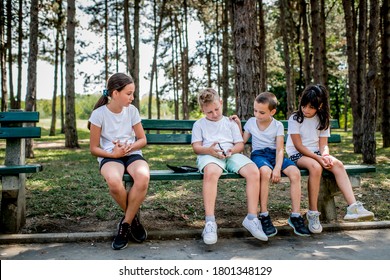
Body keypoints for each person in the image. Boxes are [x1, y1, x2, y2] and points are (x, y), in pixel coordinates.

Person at [286, 84, 375, 233]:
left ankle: (353, 207)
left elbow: (323, 145)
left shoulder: (323, 119)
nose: (306, 110)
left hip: (316, 154)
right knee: (315, 167)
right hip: (297, 154)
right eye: (304, 105)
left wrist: (325, 155)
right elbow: (298, 146)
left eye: (311, 107)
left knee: (338, 164)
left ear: (320, 106)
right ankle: (313, 213)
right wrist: (318, 159)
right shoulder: (295, 118)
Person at [191, 88, 268, 245]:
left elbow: (239, 144)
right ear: (203, 111)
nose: (214, 114)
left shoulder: (230, 122)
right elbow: (196, 148)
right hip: (209, 155)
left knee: (253, 171)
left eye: (216, 109)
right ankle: (210, 222)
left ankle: (252, 218)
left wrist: (232, 150)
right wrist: (209, 151)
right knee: (211, 172)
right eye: (209, 112)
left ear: (221, 102)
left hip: (231, 154)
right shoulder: (199, 124)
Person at [232, 92, 311, 237]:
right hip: (259, 155)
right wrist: (238, 124)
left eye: (262, 112)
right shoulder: (250, 122)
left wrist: (277, 168)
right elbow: (241, 142)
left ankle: (295, 216)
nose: (257, 114)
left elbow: (280, 149)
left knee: (295, 173)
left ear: (272, 112)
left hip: (275, 155)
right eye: (255, 110)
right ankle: (264, 215)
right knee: (265, 172)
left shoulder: (277, 125)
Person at [88, 73, 150, 250]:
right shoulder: (98, 114)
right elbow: (94, 148)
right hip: (110, 156)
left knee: (143, 177)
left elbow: (142, 139)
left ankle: (125, 225)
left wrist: (129, 147)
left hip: (132, 153)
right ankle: (134, 222)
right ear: (115, 93)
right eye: (129, 93)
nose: (132, 98)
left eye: (133, 94)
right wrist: (115, 154)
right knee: (115, 182)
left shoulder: (132, 111)